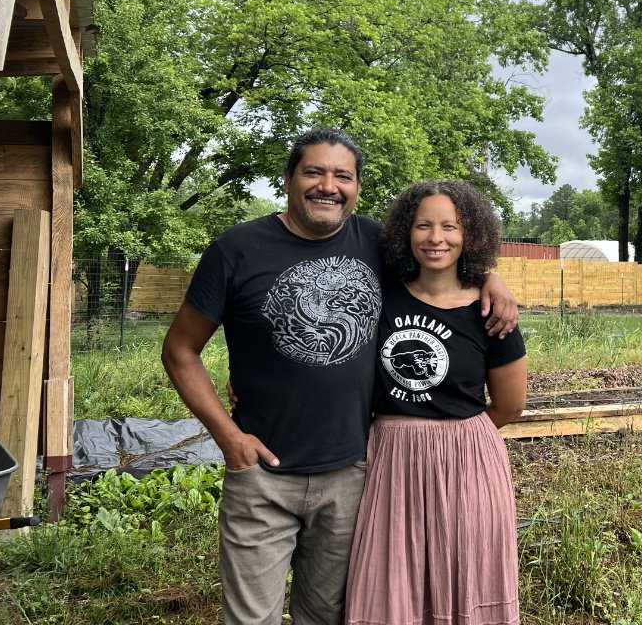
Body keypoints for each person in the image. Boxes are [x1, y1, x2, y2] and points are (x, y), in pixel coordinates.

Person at [161, 127, 519, 625]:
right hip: (263, 473)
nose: (327, 185)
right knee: (250, 620)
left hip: (353, 473)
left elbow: (442, 258)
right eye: (313, 172)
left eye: (342, 176)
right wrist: (229, 437)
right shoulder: (236, 249)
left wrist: (491, 277)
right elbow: (180, 350)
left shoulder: (379, 244)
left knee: (326, 615)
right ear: (288, 179)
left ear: (356, 188)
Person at [344, 180, 527, 625]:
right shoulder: (381, 296)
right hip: (391, 459)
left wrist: (453, 438)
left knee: (465, 576)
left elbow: (509, 406)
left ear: (471, 235)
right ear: (407, 232)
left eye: (450, 226)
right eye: (424, 225)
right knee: (390, 584)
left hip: (467, 462)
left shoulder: (491, 314)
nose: (436, 237)